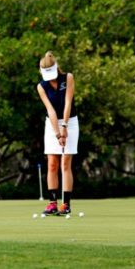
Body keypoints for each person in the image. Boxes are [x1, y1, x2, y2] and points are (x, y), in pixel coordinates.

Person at [37, 51, 79, 216]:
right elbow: (50, 110)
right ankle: (52, 203)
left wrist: (65, 127)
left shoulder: (68, 78)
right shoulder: (41, 86)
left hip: (71, 121)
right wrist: (57, 133)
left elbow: (68, 103)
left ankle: (66, 204)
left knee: (65, 163)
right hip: (52, 124)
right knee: (52, 163)